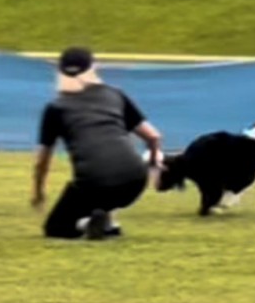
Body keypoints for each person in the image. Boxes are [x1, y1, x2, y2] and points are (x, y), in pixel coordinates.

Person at [31, 46, 162, 240]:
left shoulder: (56, 108)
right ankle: (108, 223)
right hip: (135, 180)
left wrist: (38, 192)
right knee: (105, 188)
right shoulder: (114, 94)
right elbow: (153, 137)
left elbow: (42, 163)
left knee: (56, 227)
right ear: (93, 67)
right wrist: (152, 163)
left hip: (95, 183)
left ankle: (87, 222)